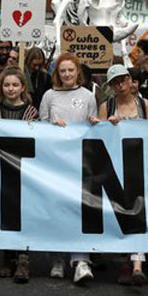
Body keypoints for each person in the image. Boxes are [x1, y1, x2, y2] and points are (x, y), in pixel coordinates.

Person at [39, 52, 99, 283]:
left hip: (80, 160)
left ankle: (81, 260)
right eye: (62, 71)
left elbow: (93, 123)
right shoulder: (48, 96)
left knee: (80, 209)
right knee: (57, 209)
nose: (66, 74)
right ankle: (57, 258)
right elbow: (40, 126)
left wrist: (94, 123)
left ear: (77, 72)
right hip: (55, 161)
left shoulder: (88, 96)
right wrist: (52, 125)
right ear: (57, 73)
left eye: (70, 70)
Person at [99, 64, 148, 287]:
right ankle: (124, 262)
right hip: (115, 166)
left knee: (139, 211)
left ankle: (138, 263)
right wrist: (107, 125)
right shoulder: (107, 105)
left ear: (131, 81)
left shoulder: (144, 104)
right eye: (115, 82)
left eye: (123, 80)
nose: (120, 85)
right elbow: (99, 136)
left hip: (139, 164)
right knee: (120, 213)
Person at [0, 66, 38, 283]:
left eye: (15, 85)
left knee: (23, 214)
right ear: (1, 87)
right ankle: (7, 257)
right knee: (5, 214)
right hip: (1, 168)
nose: (11, 88)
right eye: (6, 85)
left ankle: (23, 258)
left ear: (22, 87)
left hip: (24, 170)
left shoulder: (31, 112)